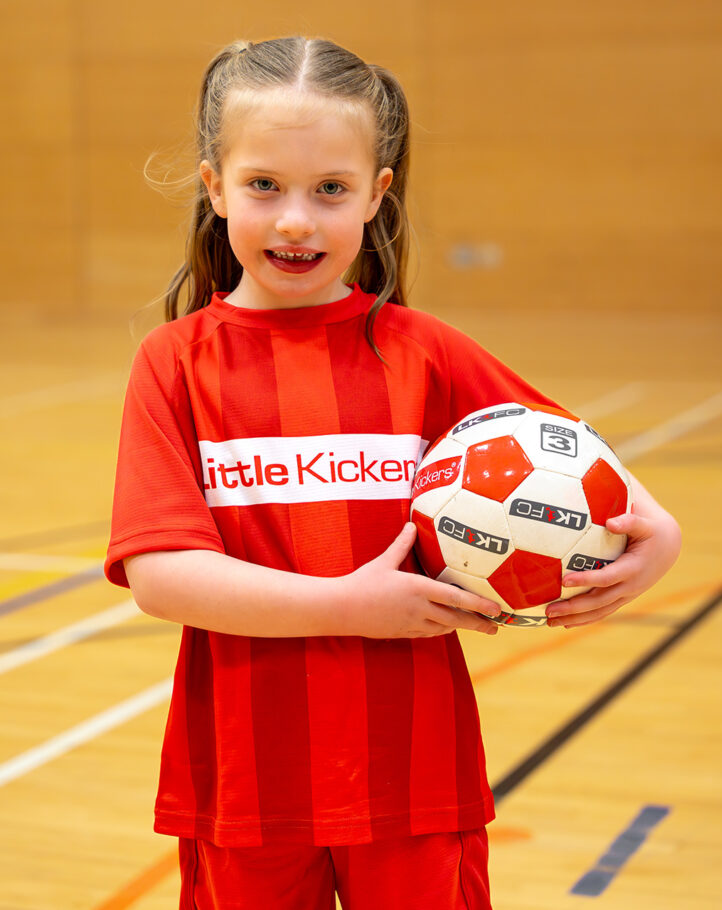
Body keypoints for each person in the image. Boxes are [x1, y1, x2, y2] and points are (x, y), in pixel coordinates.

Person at [105, 36, 681, 910]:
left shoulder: (425, 353)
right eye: (263, 185)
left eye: (330, 189)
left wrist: (660, 537)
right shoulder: (174, 363)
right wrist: (346, 607)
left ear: (376, 195)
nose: (296, 219)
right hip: (245, 788)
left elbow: (587, 471)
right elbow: (161, 577)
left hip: (416, 779)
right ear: (214, 186)